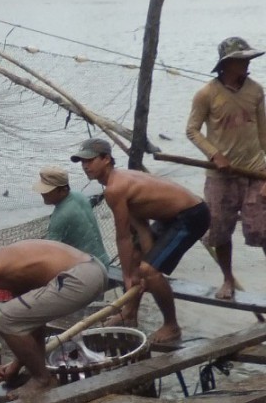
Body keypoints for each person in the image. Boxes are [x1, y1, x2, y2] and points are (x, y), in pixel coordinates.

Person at [0, 223, 107, 399]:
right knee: (13, 318)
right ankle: (38, 373)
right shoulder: (8, 261)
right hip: (95, 269)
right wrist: (17, 365)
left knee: (3, 319)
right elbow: (31, 323)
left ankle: (42, 380)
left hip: (79, 277)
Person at [73, 137, 209, 345]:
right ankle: (130, 313)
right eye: (82, 162)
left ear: (106, 159)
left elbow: (123, 236)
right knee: (139, 258)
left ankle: (172, 326)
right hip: (171, 218)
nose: (85, 166)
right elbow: (142, 229)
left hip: (191, 216)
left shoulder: (114, 188)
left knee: (149, 271)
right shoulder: (116, 183)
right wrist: (142, 263)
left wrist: (130, 275)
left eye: (89, 161)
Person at [186, 36, 266, 301]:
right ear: (226, 64)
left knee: (261, 229)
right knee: (220, 231)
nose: (246, 64)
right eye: (241, 60)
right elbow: (193, 130)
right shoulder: (207, 94)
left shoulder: (256, 91)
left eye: (247, 60)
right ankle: (228, 279)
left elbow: (263, 133)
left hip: (255, 172)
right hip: (221, 176)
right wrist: (214, 154)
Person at [34, 165, 110, 266]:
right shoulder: (80, 196)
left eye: (47, 190)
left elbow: (51, 254)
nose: (42, 193)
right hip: (103, 261)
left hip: (89, 270)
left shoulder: (60, 216)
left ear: (63, 190)